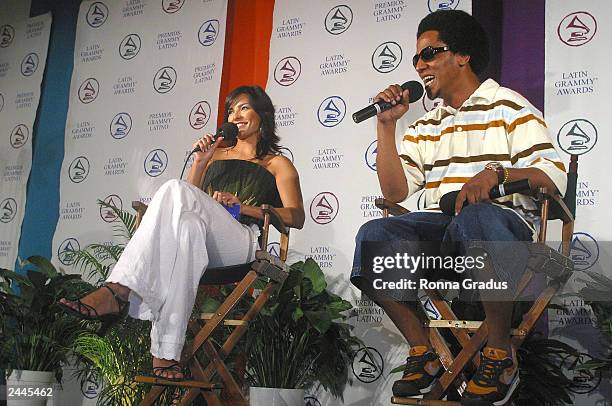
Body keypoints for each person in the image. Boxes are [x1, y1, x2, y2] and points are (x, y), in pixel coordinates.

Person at [350, 10, 566, 406]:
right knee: (374, 236)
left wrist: (496, 174)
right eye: (416, 58)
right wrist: (386, 126)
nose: (419, 65)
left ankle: (499, 354)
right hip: (444, 237)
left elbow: (553, 175)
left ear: (462, 55)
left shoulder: (507, 106)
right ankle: (424, 352)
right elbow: (395, 191)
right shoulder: (425, 126)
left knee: (478, 216)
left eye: (430, 53)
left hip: (500, 235)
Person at [59, 85, 305, 380]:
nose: (235, 115)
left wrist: (244, 208)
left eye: (243, 108)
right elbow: (189, 198)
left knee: (174, 190)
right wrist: (201, 160)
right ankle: (166, 353)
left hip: (241, 241)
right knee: (187, 227)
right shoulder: (216, 156)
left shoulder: (277, 163)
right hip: (204, 240)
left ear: (262, 115)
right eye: (231, 110)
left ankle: (118, 289)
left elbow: (296, 216)